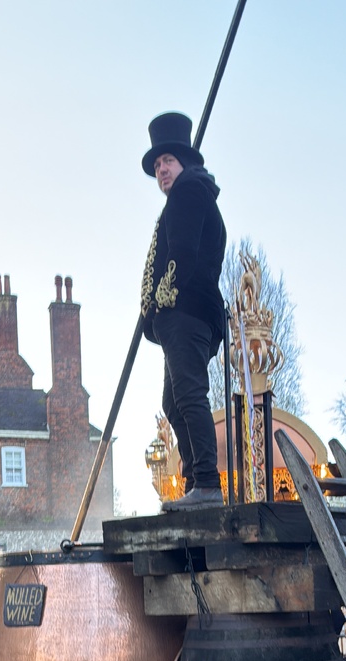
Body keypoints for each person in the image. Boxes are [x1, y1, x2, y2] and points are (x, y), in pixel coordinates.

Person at [140, 112, 226, 511]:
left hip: (185, 310)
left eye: (168, 161)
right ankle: (195, 480)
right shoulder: (191, 193)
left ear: (185, 162)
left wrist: (160, 301)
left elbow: (183, 255)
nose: (161, 170)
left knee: (189, 394)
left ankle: (206, 483)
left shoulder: (189, 192)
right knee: (174, 402)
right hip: (186, 314)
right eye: (157, 165)